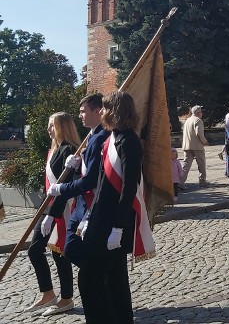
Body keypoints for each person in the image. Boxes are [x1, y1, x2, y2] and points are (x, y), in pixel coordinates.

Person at [80, 90, 146, 324]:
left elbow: (129, 188)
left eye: (106, 108)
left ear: (116, 111)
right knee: (112, 278)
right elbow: (101, 184)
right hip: (101, 218)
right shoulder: (111, 139)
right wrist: (89, 215)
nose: (102, 112)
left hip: (114, 223)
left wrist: (118, 227)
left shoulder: (129, 141)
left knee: (94, 277)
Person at [26, 112, 79, 316]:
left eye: (52, 126)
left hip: (61, 209)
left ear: (62, 127)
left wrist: (53, 214)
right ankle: (48, 293)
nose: (48, 129)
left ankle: (66, 298)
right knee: (35, 250)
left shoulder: (69, 151)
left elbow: (65, 186)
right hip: (48, 208)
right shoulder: (54, 151)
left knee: (59, 254)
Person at [47, 94, 109, 269]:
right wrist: (77, 166)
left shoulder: (100, 137)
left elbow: (91, 179)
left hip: (90, 204)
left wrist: (61, 189)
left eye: (83, 111)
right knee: (72, 249)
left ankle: (99, 281)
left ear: (98, 111)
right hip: (82, 205)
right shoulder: (92, 135)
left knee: (77, 252)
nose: (80, 115)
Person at [181, 105, 209, 187]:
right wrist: (205, 141)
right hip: (197, 146)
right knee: (201, 163)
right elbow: (199, 133)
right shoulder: (198, 121)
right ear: (198, 113)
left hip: (187, 145)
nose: (202, 113)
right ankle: (202, 180)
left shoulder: (188, 120)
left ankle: (180, 182)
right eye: (201, 111)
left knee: (186, 164)